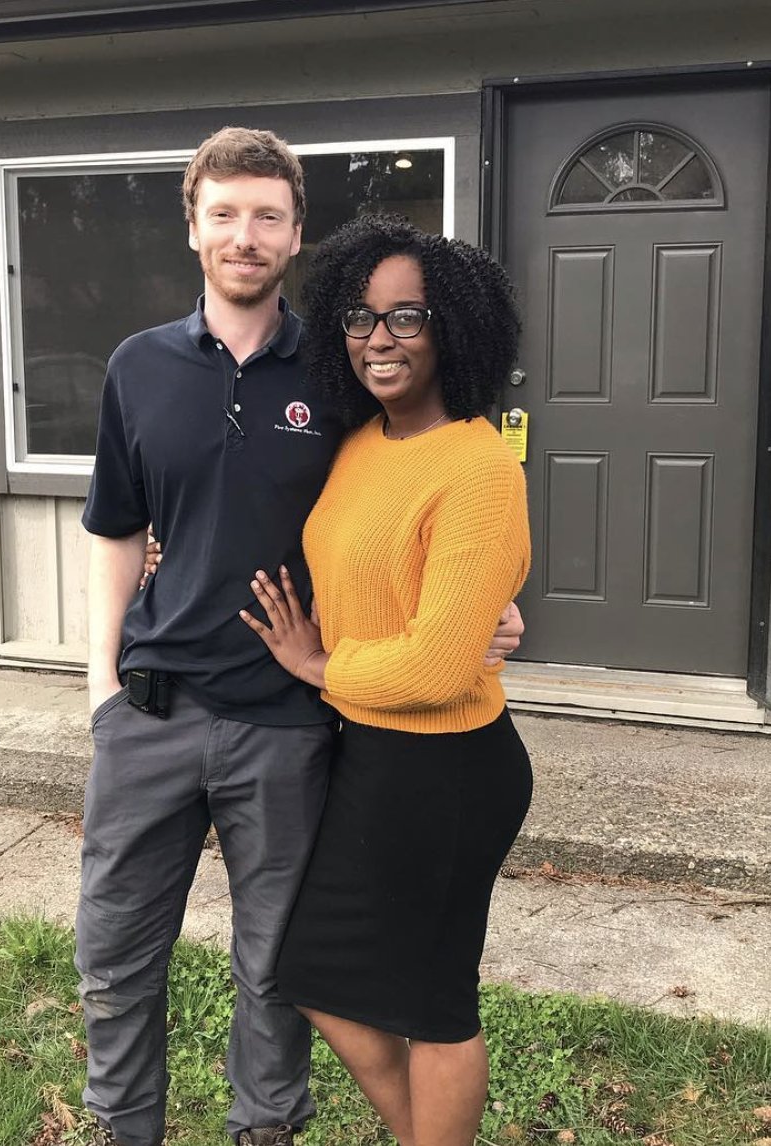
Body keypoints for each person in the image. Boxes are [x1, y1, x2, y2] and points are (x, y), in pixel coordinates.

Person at [78, 128, 523, 1146]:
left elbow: (421, 504)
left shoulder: (334, 368)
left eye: (267, 215)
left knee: (277, 969)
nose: (246, 234)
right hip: (148, 715)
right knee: (113, 958)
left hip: (288, 723)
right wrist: (98, 686)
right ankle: (122, 1128)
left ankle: (263, 1131)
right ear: (192, 226)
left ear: (295, 232)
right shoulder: (137, 368)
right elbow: (117, 532)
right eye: (224, 213)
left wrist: (487, 605)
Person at [238, 213, 532, 1146]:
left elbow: (442, 664)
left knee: (437, 1001)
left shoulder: (480, 463)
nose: (380, 340)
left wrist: (321, 664)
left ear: (454, 328)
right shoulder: (364, 442)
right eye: (363, 320)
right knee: (321, 978)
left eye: (407, 318)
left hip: (448, 768)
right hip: (372, 755)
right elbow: (375, 578)